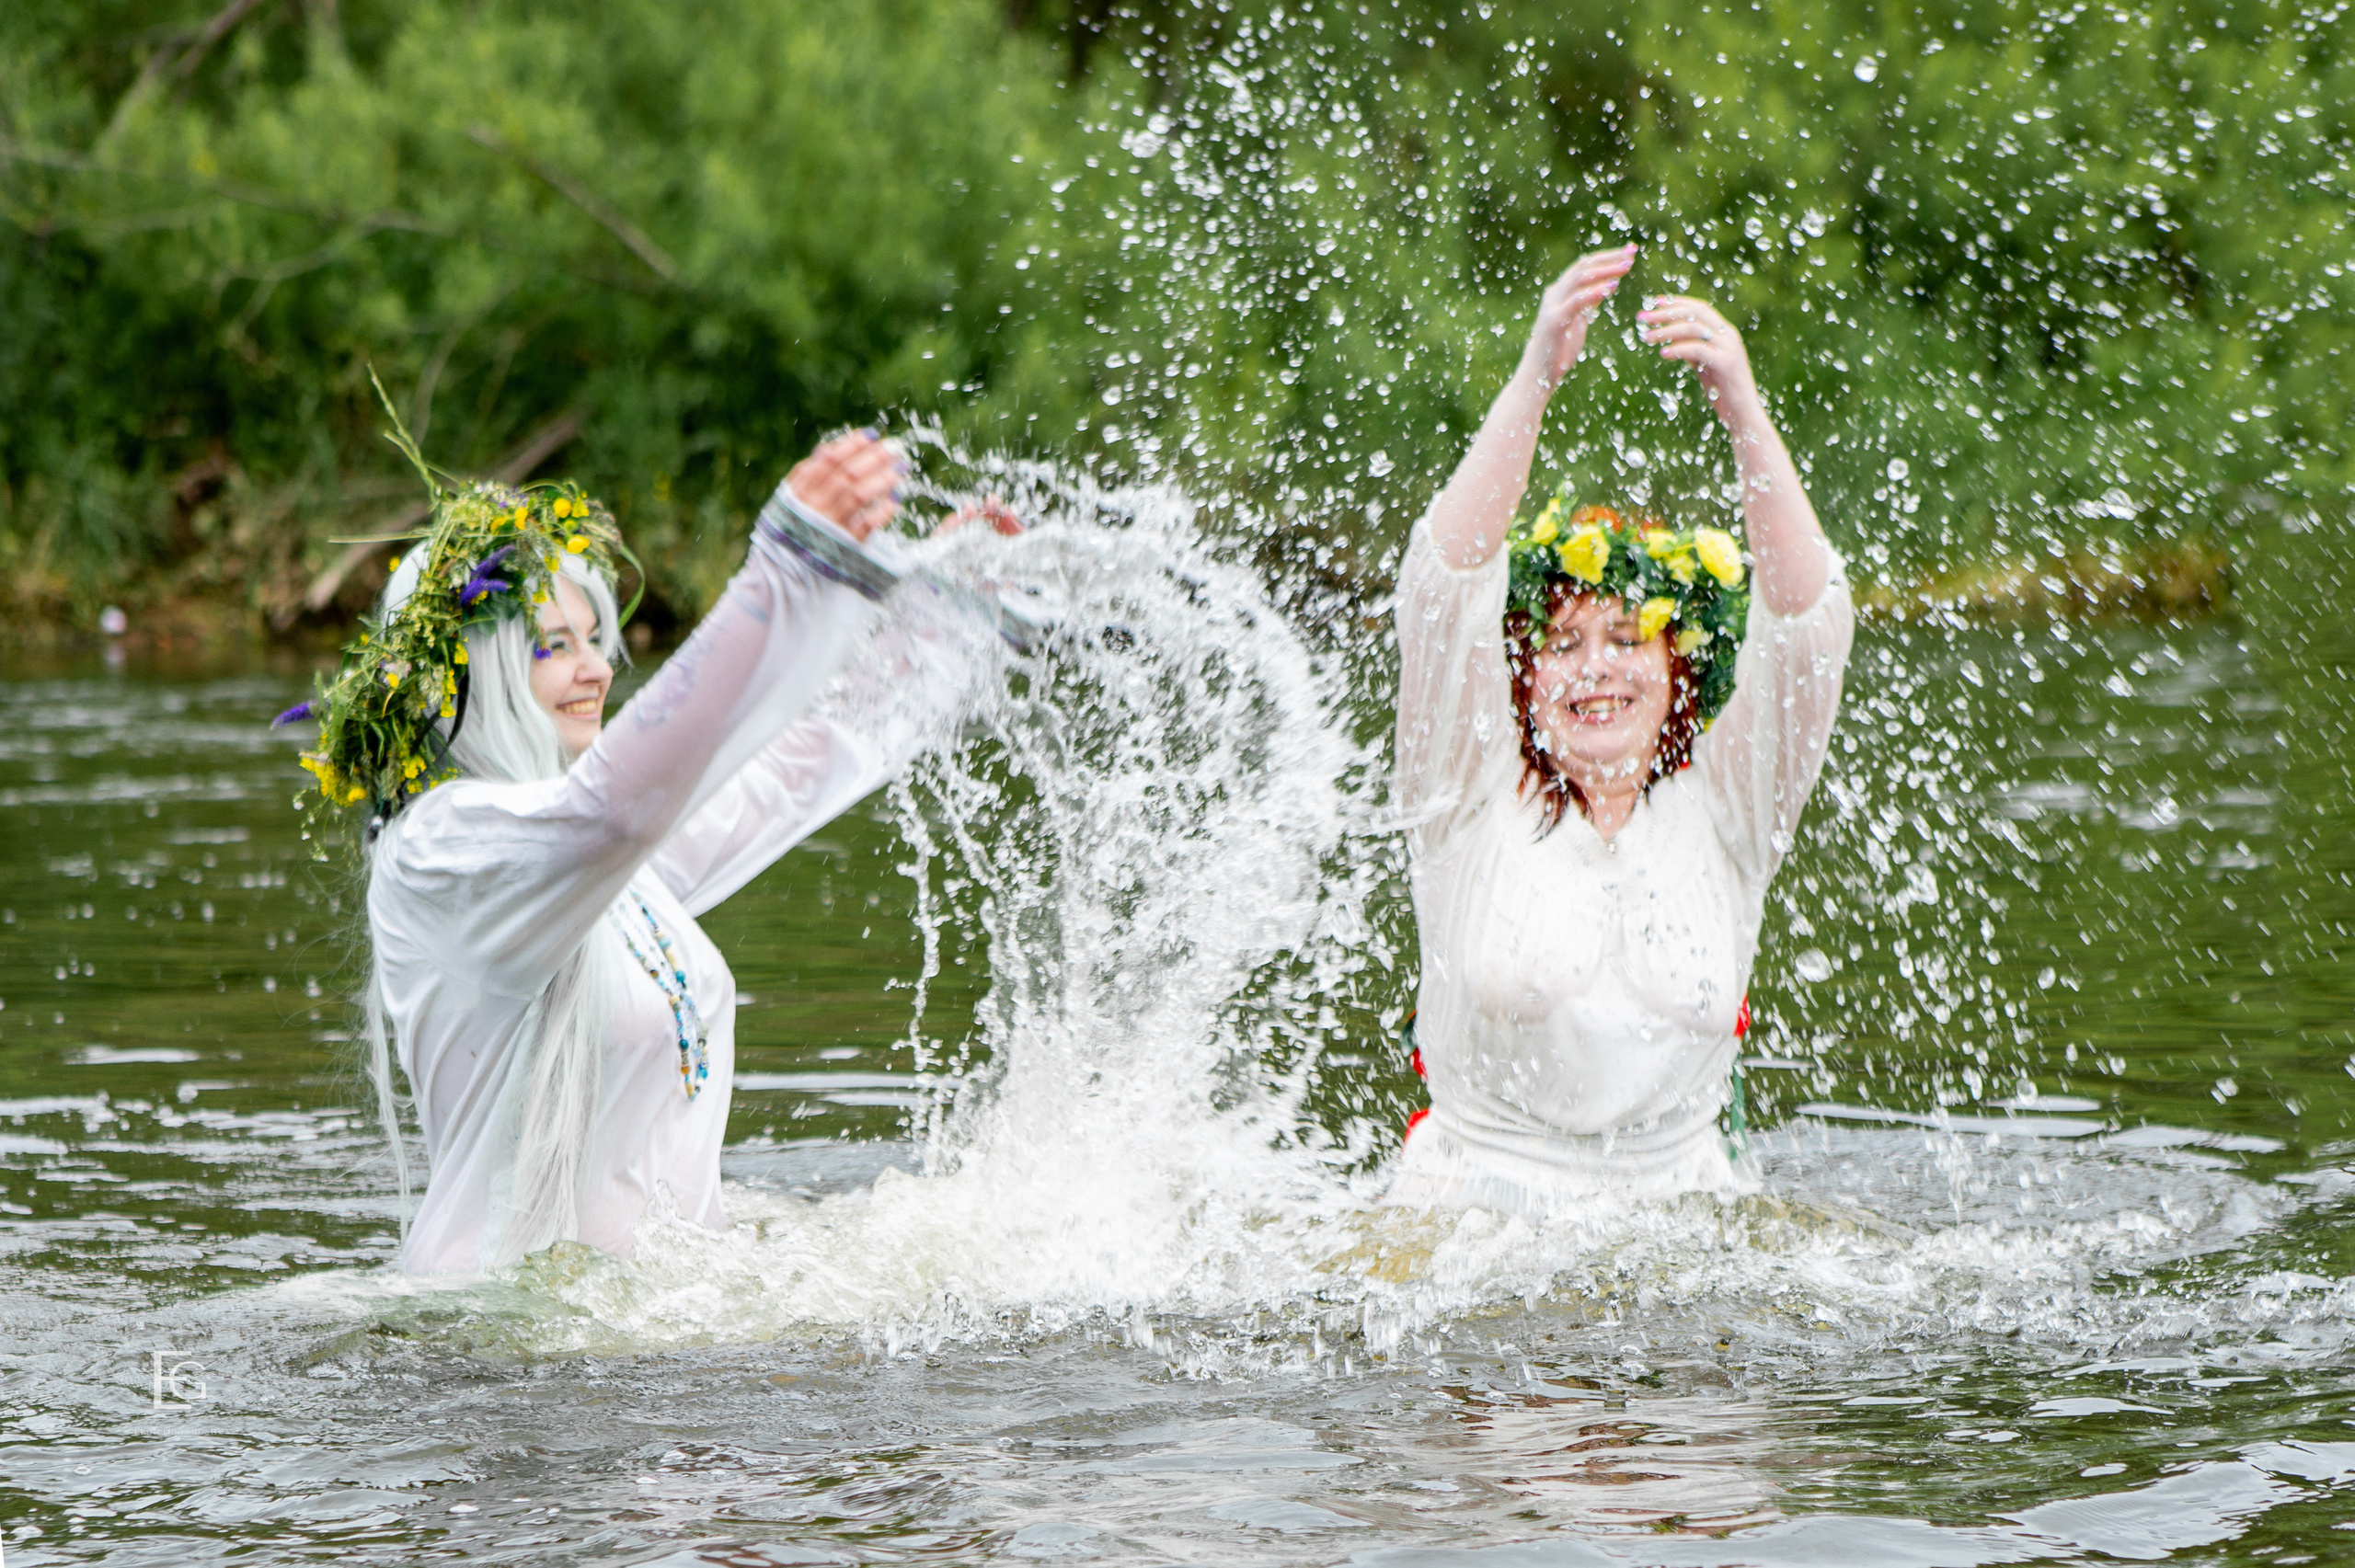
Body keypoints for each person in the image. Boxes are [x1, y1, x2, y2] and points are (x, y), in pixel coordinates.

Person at [288, 429, 1010, 1274]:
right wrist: (781, 575)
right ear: (472, 674)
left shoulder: (598, 867)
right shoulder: (443, 854)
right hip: (486, 1366)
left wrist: (941, 624)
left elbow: (782, 773)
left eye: (594, 639)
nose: (595, 669)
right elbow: (611, 813)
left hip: (642, 1336)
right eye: (551, 646)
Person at [1387, 243, 1853, 1212]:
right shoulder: (1463, 793)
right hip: (1464, 1229)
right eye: (1560, 643)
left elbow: (1808, 630)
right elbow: (1441, 592)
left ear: (1682, 672)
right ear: (1521, 679)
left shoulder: (1730, 808)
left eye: (1626, 637)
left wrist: (1742, 408)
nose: (1594, 666)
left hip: (1682, 1230)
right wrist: (1534, 376)